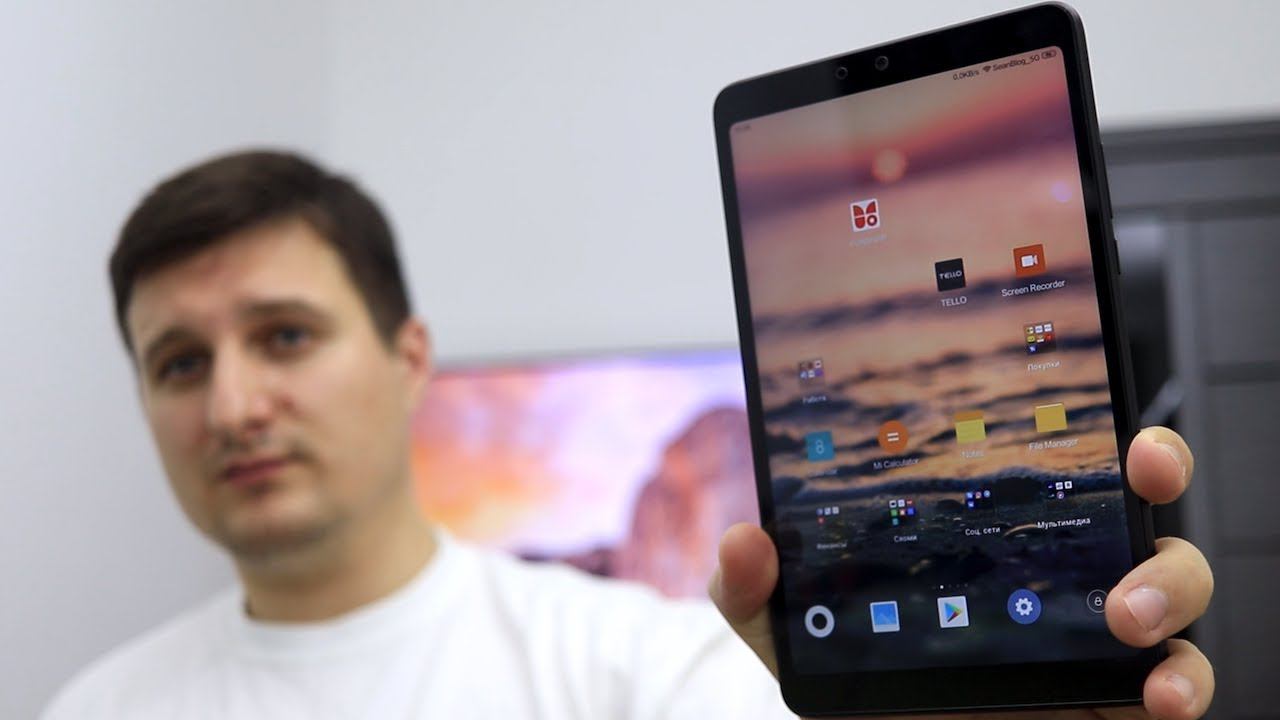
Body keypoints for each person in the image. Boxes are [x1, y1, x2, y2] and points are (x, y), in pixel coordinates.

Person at [44, 150, 1214, 720]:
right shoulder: (90, 708)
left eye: (285, 336)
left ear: (407, 359)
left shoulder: (653, 673)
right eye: (179, 362)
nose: (233, 405)